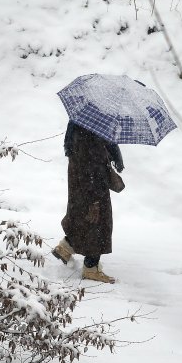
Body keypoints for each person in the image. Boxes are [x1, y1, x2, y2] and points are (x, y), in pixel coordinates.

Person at [52, 121, 124, 283]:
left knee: (81, 220)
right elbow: (93, 168)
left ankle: (65, 248)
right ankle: (91, 269)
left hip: (80, 187)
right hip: (93, 190)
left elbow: (86, 163)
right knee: (98, 229)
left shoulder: (79, 126)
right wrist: (95, 201)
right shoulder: (92, 134)